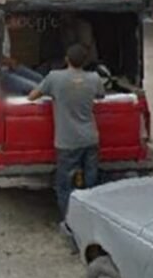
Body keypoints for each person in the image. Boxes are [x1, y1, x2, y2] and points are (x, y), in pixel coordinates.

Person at [28, 44, 105, 227]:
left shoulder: (55, 78)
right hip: (90, 139)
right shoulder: (94, 78)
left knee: (65, 186)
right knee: (91, 184)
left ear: (66, 60)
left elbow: (33, 96)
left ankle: (69, 222)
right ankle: (90, 222)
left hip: (67, 143)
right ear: (85, 62)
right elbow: (100, 96)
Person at [0, 15, 44, 95]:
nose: (22, 25)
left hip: (9, 68)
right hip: (1, 73)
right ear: (12, 19)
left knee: (40, 79)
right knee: (34, 87)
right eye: (20, 22)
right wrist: (10, 61)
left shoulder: (6, 30)